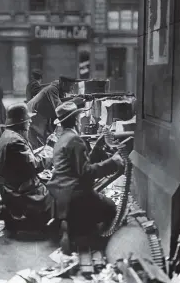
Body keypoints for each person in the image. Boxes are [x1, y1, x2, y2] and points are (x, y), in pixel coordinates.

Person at [47, 101, 125, 254]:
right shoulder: (75, 140)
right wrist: (112, 162)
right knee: (111, 208)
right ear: (76, 120)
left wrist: (97, 147)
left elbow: (79, 166)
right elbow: (86, 173)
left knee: (97, 200)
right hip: (74, 197)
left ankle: (73, 226)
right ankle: (90, 240)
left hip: (61, 196)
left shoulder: (62, 138)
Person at [0, 103, 53, 233]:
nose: (30, 121)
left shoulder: (9, 134)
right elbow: (34, 166)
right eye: (28, 119)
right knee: (58, 195)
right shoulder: (15, 142)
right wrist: (50, 149)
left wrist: (43, 150)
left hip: (12, 186)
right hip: (18, 192)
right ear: (21, 122)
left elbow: (25, 159)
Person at [27, 76, 76, 149]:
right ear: (63, 84)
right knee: (39, 143)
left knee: (46, 140)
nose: (72, 88)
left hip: (40, 115)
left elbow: (61, 101)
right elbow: (59, 108)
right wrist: (75, 101)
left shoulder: (59, 90)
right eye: (71, 86)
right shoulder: (52, 89)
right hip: (34, 115)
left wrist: (74, 98)